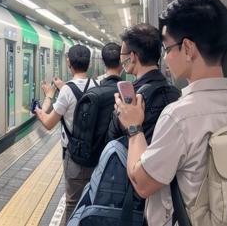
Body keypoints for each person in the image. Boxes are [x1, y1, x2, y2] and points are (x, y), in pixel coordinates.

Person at [115, 0, 227, 226]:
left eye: (167, 48)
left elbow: (142, 183)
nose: (165, 58)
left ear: (188, 48)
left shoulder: (178, 116)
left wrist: (134, 127)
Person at [35, 44, 96, 223]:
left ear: (69, 62)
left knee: (72, 202)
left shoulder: (67, 91)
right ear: (89, 63)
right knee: (91, 199)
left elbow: (48, 123)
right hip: (94, 154)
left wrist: (47, 97)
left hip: (73, 155)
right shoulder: (97, 84)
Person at [107, 23, 180, 143]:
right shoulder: (176, 93)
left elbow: (111, 138)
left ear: (132, 56)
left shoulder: (128, 99)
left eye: (122, 53)